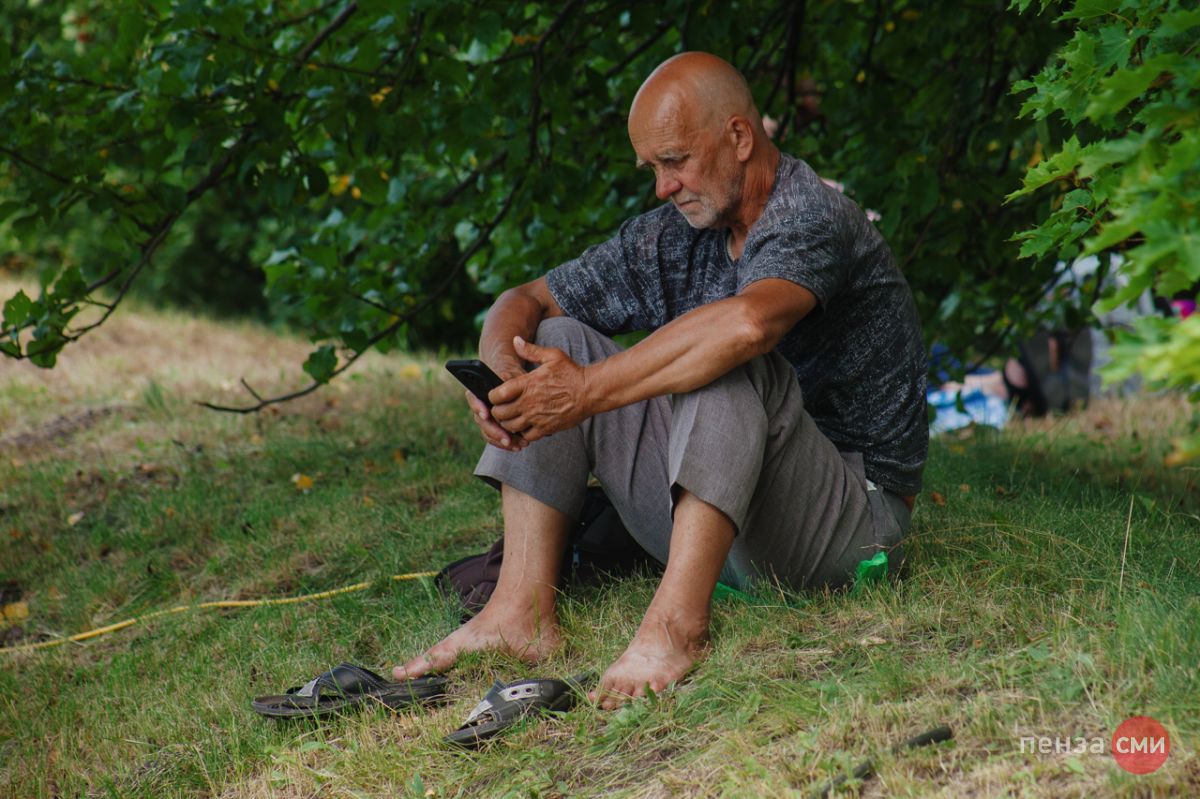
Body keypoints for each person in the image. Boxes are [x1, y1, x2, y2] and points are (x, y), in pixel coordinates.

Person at [395, 52, 928, 709]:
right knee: (553, 341)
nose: (663, 187)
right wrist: (507, 377)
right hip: (731, 528)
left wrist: (584, 391)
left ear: (739, 137)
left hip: (850, 525)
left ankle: (677, 627)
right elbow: (526, 298)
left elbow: (748, 325)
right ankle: (518, 613)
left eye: (675, 161)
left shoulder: (812, 214)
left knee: (723, 353)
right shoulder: (677, 233)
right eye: (651, 168)